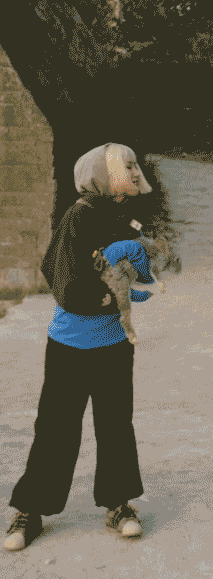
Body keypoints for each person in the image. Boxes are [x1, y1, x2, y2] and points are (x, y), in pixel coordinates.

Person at [5, 143, 154, 551]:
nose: (135, 172)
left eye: (135, 165)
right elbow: (62, 280)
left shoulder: (125, 216)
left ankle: (118, 505)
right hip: (70, 344)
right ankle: (30, 509)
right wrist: (109, 297)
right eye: (126, 166)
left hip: (114, 343)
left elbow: (139, 270)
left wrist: (140, 271)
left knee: (115, 425)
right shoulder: (78, 216)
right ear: (101, 176)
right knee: (56, 428)